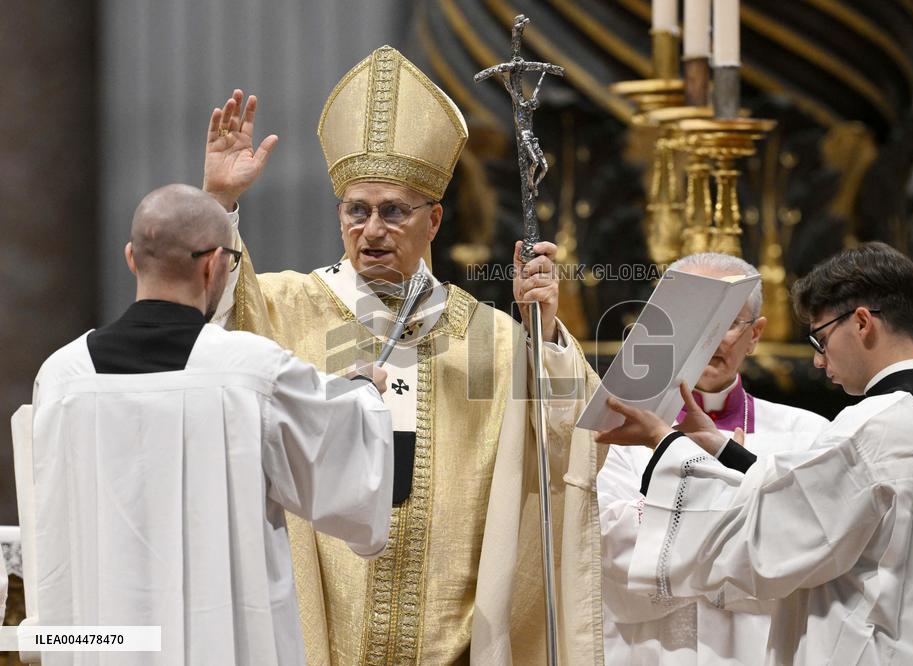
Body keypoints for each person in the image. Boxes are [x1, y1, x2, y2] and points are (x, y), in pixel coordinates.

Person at [201, 47, 604, 664]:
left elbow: (567, 435)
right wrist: (221, 204)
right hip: (324, 630)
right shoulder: (289, 307)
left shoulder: (490, 335)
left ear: (435, 219)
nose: (372, 230)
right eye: (356, 211)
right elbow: (216, 326)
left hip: (455, 637)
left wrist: (544, 330)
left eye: (393, 211)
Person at [30, 184, 395, 665]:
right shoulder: (250, 373)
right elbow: (343, 464)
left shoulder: (61, 376)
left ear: (131, 259)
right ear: (216, 265)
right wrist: (364, 390)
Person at [597, 242, 913, 664]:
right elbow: (806, 499)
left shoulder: (871, 427)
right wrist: (720, 449)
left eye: (821, 339)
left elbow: (766, 541)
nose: (820, 362)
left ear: (862, 323)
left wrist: (666, 443)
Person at [597, 252, 828, 665]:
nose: (709, 337)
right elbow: (613, 552)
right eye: (693, 322)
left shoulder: (809, 436)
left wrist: (680, 516)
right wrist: (737, 512)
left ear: (755, 334)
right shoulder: (616, 435)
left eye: (727, 322)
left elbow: (802, 558)